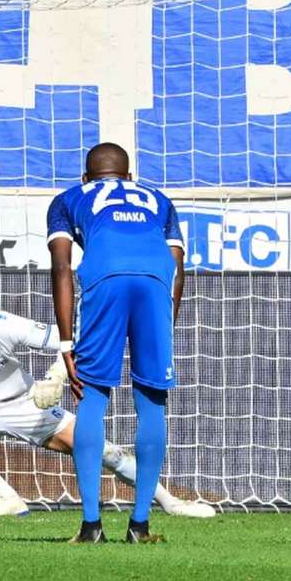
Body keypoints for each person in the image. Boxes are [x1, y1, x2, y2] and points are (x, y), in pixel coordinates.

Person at [0, 270, 213, 520]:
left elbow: (73, 340)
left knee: (102, 450)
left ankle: (170, 502)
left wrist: (56, 375)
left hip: (25, 405)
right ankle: (9, 498)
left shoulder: (2, 324)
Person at [47, 142, 185, 544]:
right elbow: (177, 268)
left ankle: (91, 525)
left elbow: (61, 267)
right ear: (129, 177)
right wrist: (164, 327)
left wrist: (66, 343)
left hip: (105, 275)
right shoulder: (158, 199)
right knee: (152, 399)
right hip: (157, 281)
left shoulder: (69, 198)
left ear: (86, 178)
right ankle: (140, 525)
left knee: (90, 395)